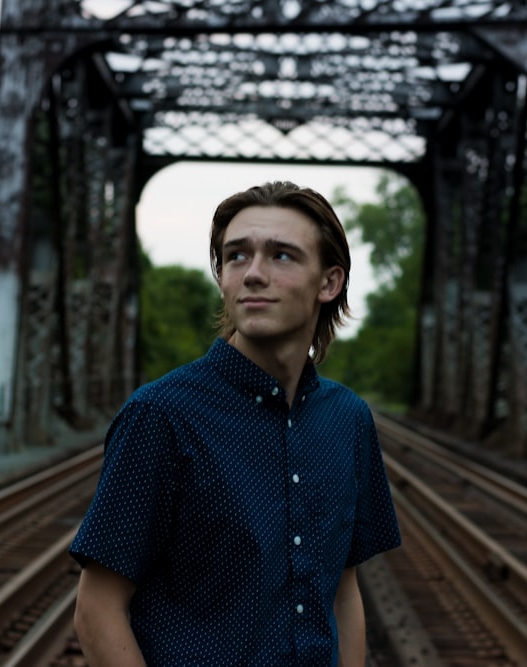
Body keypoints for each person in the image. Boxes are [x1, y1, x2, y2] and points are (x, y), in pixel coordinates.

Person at [69, 181, 401, 666]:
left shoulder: (347, 419)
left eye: (282, 256)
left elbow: (342, 588)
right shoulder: (162, 414)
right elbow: (97, 608)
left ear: (329, 283)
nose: (253, 275)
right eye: (237, 256)